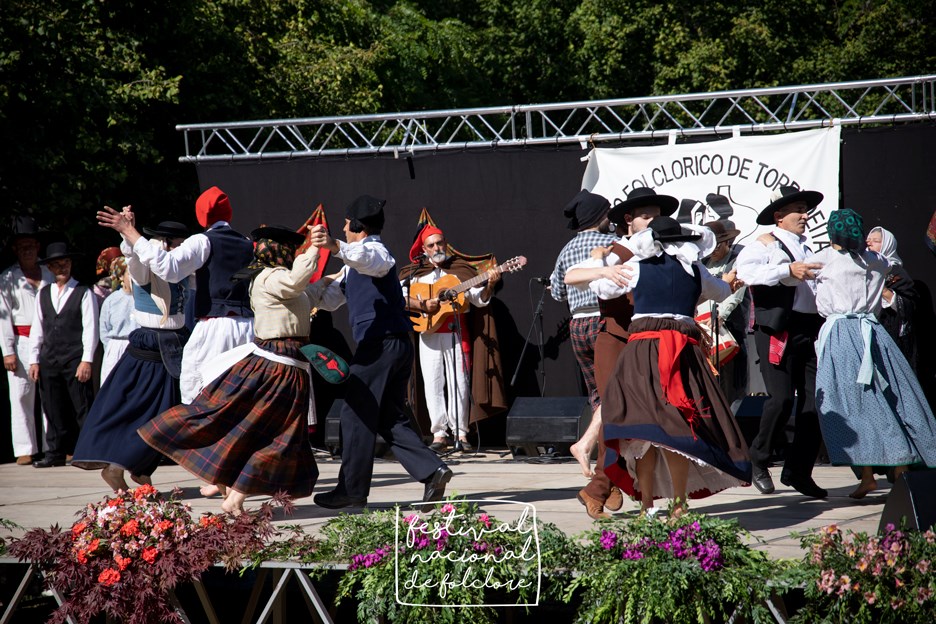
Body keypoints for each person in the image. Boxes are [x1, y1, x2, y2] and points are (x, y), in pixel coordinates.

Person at [140, 225, 321, 514]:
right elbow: (297, 281)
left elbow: (310, 292)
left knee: (271, 436)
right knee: (276, 437)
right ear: (279, 251)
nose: (293, 253)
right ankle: (232, 495)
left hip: (290, 365)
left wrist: (343, 272)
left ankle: (234, 498)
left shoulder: (283, 281)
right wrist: (314, 250)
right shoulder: (270, 277)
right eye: (290, 249)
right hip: (278, 367)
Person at [593, 216, 750, 516]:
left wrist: (606, 263)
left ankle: (648, 506)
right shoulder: (694, 270)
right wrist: (728, 282)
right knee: (676, 431)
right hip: (681, 354)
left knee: (646, 432)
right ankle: (679, 504)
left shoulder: (637, 267)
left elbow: (602, 288)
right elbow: (721, 292)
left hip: (644, 353)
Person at [307, 195, 452, 509]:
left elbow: (372, 259)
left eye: (346, 225)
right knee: (388, 416)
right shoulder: (353, 264)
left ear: (357, 226)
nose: (344, 230)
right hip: (391, 346)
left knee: (355, 411)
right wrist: (298, 291)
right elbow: (332, 298)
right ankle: (432, 471)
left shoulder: (375, 250)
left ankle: (352, 490)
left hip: (382, 345)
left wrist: (333, 245)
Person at [563, 187, 674, 518]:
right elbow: (570, 277)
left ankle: (613, 485)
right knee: (616, 416)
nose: (653, 221)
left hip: (649, 343)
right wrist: (603, 268)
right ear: (629, 220)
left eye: (657, 215)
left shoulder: (663, 251)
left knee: (644, 421)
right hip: (614, 340)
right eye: (646, 216)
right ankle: (602, 485)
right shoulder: (612, 251)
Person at [813, 209, 936, 499]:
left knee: (856, 403)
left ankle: (884, 470)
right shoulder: (876, 261)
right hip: (874, 333)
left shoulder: (826, 259)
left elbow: (792, 275)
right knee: (892, 396)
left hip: (845, 334)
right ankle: (884, 472)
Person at [71, 213, 192, 491]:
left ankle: (138, 468)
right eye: (176, 244)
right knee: (150, 411)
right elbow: (136, 257)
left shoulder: (179, 267)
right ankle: (123, 467)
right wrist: (128, 232)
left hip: (174, 344)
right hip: (151, 346)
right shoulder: (141, 266)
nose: (180, 249)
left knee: (166, 413)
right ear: (164, 244)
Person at [735, 186, 826, 498]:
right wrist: (786, 269)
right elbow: (746, 273)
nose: (804, 215)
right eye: (798, 209)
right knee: (782, 399)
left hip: (809, 327)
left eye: (805, 209)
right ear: (779, 216)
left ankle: (798, 471)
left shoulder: (808, 246)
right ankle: (757, 460)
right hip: (778, 329)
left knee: (815, 403)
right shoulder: (763, 243)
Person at [399, 225, 501, 451]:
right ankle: (439, 434)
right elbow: (399, 297)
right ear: (424, 249)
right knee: (433, 383)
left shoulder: (460, 270)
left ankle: (461, 434)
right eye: (432, 245)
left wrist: (490, 284)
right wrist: (423, 305)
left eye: (440, 243)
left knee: (459, 384)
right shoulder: (414, 273)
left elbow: (478, 299)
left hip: (456, 331)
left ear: (446, 243)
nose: (437, 248)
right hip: (428, 332)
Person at [549, 189, 616, 478]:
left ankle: (599, 452)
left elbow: (556, 292)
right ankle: (591, 446)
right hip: (605, 322)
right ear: (601, 217)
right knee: (615, 390)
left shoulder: (566, 249)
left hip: (578, 326)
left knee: (598, 393)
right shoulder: (611, 243)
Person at [179, 186, 255, 405]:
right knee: (241, 392)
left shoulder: (203, 241)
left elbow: (169, 268)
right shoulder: (247, 243)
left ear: (202, 215)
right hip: (248, 326)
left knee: (200, 388)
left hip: (216, 325)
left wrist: (132, 236)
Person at [28, 241, 98, 468]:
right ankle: (55, 453)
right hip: (49, 358)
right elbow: (37, 328)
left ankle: (89, 452)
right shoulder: (43, 293)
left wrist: (87, 359)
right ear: (49, 268)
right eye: (57, 264)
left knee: (82, 406)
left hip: (74, 357)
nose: (62, 268)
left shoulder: (82, 292)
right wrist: (33, 359)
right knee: (52, 406)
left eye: (65, 263)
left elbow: (91, 328)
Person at [1, 217, 53, 464]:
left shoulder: (49, 273)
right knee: (21, 394)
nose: (28, 250)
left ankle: (52, 444)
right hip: (21, 339)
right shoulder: (7, 278)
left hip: (49, 340)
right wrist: (7, 351)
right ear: (15, 249)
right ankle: (24, 448)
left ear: (38, 246)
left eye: (31, 245)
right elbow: (3, 317)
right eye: (23, 246)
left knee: (51, 392)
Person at [701, 219, 751, 409]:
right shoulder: (702, 263)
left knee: (731, 385)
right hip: (704, 330)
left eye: (717, 245)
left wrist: (721, 315)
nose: (713, 250)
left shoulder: (737, 260)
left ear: (727, 242)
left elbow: (736, 295)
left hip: (730, 329)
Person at [865, 226, 919, 372]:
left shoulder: (895, 272)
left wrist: (884, 291)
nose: (869, 243)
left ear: (887, 245)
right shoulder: (863, 269)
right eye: (868, 240)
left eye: (875, 241)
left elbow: (910, 303)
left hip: (890, 331)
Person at [98, 256, 137, 384]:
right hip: (115, 349)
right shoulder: (111, 300)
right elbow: (104, 329)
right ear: (121, 276)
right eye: (131, 274)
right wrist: (111, 348)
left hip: (137, 349)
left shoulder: (144, 300)